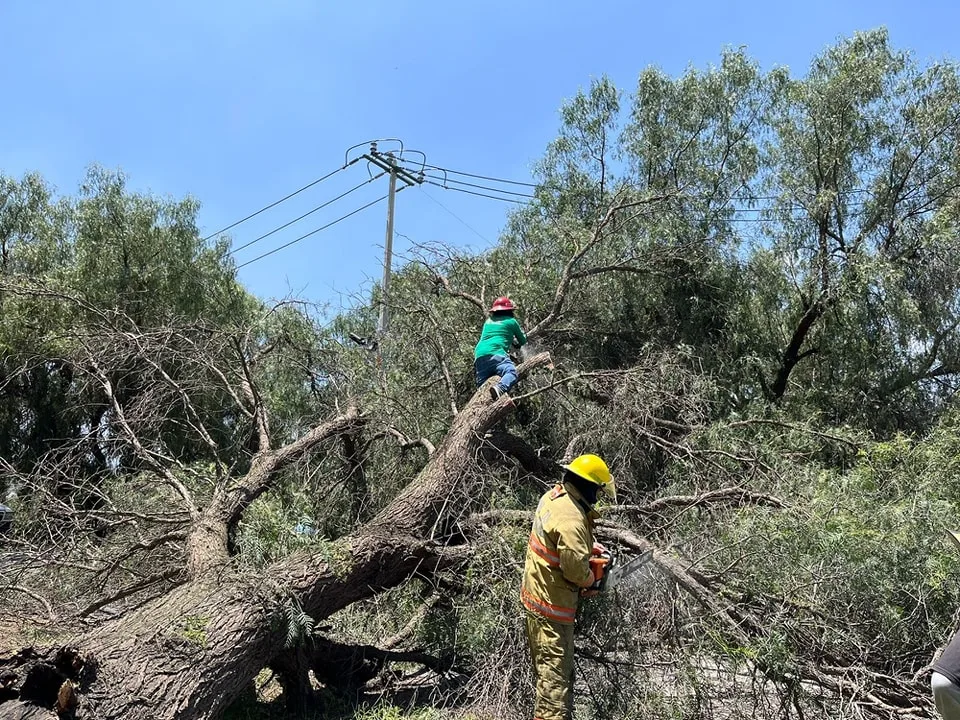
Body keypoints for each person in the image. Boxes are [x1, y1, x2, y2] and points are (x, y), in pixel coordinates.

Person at [521, 453, 617, 720]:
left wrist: (589, 547)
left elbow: (559, 538)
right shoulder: (572, 518)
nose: (598, 495)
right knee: (554, 694)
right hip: (551, 611)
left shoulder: (557, 497)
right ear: (588, 485)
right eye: (598, 489)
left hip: (540, 598)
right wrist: (592, 580)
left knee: (554, 679)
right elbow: (575, 570)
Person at [474, 296, 527, 401]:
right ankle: (500, 388)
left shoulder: (488, 321)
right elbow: (523, 341)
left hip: (479, 356)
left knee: (483, 387)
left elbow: (497, 335)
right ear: (510, 310)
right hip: (496, 354)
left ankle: (482, 398)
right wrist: (518, 341)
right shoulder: (512, 321)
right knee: (511, 372)